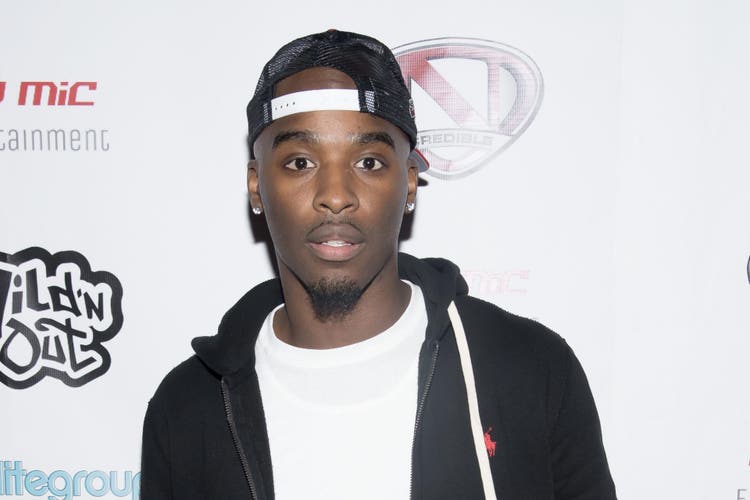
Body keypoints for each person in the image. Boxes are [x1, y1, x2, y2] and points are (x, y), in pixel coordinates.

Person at [140, 29, 617, 500]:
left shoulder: (529, 368)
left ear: (408, 183)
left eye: (368, 162)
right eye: (300, 162)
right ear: (256, 186)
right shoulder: (187, 409)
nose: (335, 196)